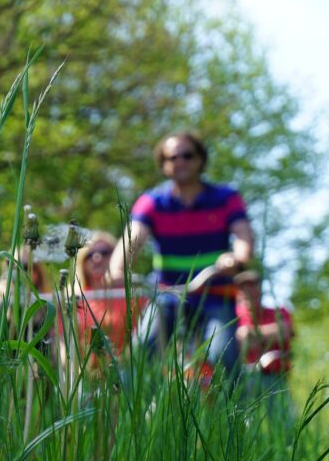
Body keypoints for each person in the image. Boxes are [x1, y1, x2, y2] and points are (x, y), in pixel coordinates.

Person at [107, 131, 255, 386]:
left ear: (200, 160)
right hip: (168, 294)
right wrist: (117, 268)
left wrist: (237, 258)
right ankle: (138, 414)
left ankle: (235, 416)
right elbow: (132, 238)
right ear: (163, 165)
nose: (180, 162)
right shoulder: (153, 202)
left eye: (187, 155)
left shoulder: (225, 198)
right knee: (145, 347)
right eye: (172, 157)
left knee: (222, 354)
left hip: (214, 293)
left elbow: (243, 234)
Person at [73, 232, 144, 358]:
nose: (97, 257)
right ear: (82, 262)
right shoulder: (75, 300)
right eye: (89, 254)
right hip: (87, 372)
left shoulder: (132, 295)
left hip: (129, 367)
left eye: (104, 252)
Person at [235, 270, 294, 398]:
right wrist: (270, 336)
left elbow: (284, 332)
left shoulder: (279, 311)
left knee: (281, 416)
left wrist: (249, 333)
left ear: (260, 289)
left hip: (276, 378)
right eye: (242, 287)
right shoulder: (233, 316)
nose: (248, 290)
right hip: (244, 377)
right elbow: (238, 344)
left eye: (252, 285)